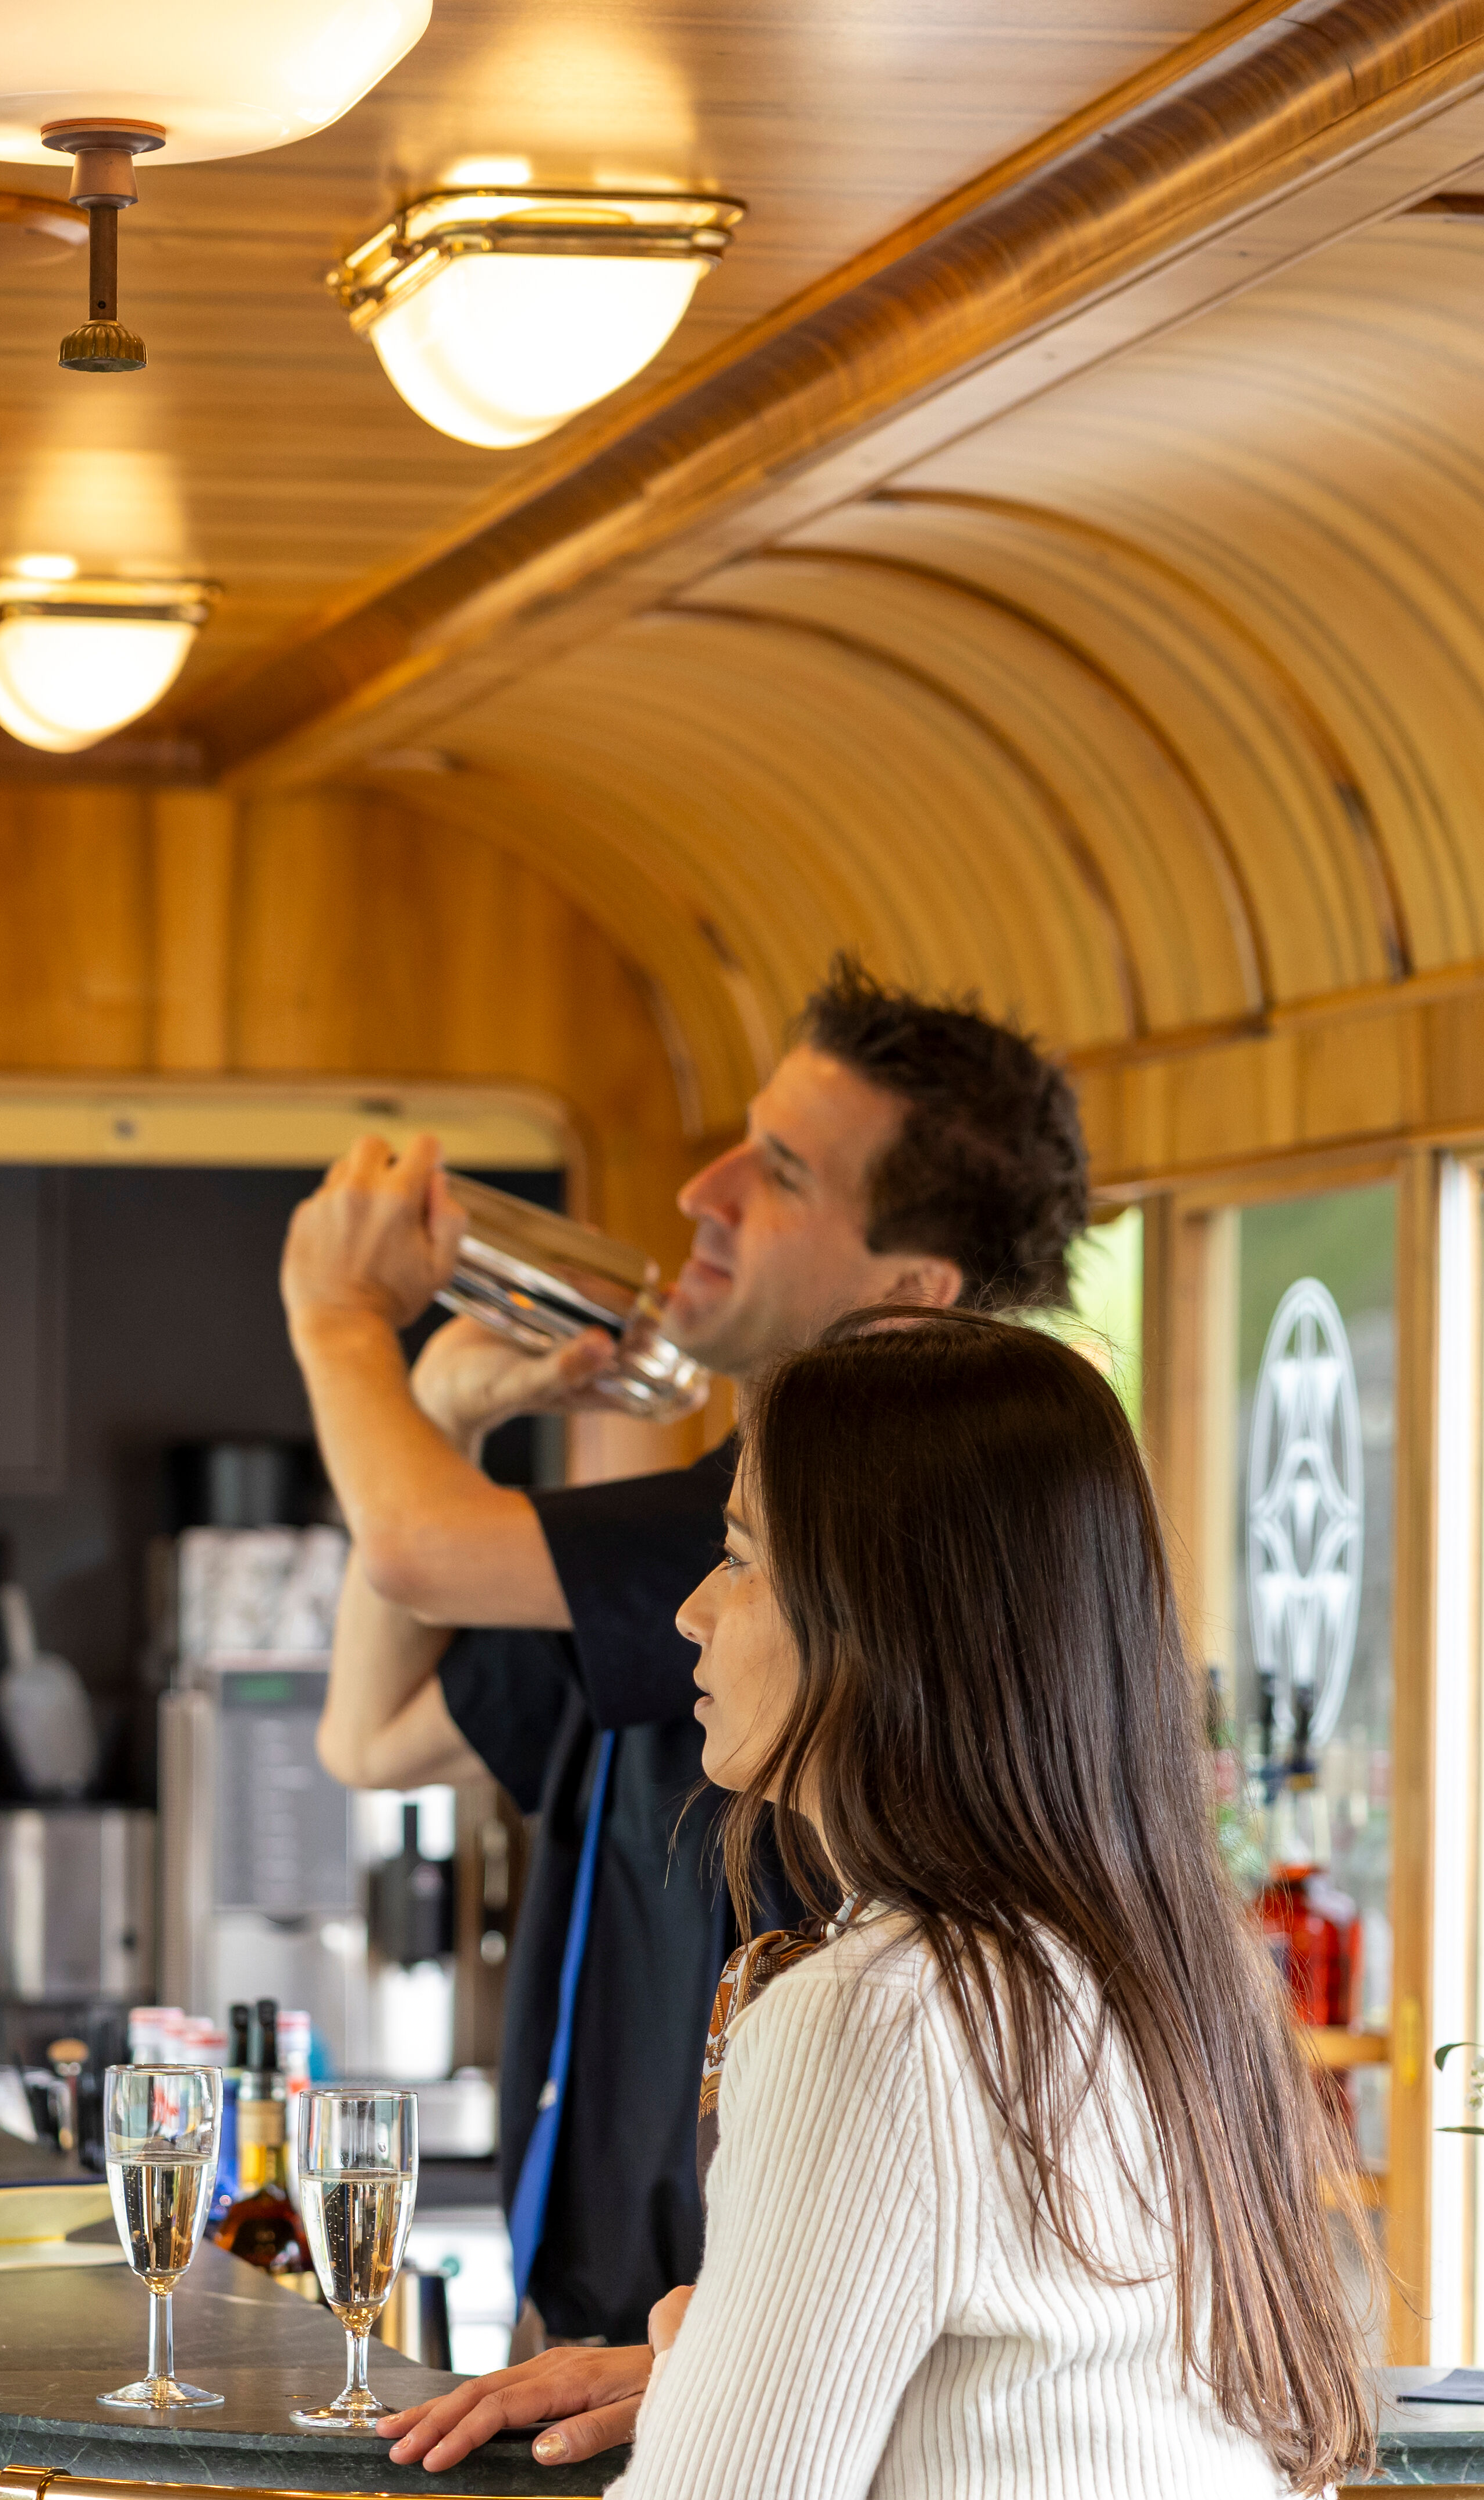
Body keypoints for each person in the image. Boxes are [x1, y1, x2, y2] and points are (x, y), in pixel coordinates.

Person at [125, 1311, 1375, 2500]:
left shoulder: (884, 2014)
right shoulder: (1186, 1985)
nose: (692, 1614)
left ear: (889, 1625)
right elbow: (1023, 2415)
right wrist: (727, 2364)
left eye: (736, 1559)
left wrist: (704, 2346)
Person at [286, 964, 1090, 2377]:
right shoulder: (711, 1519)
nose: (699, 1192)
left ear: (908, 1292)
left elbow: (414, 1548)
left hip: (738, 2343)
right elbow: (374, 1733)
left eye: (776, 1172)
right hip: (601, 2317)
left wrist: (341, 1321)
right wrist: (431, 1411)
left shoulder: (866, 1538)